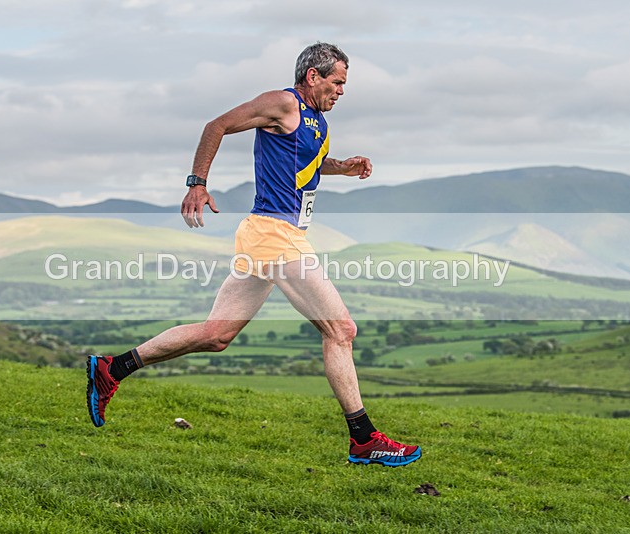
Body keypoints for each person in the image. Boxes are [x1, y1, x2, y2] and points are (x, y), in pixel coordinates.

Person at [86, 42, 421, 467]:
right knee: (341, 331)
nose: (341, 91)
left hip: (270, 236)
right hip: (274, 236)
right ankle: (364, 438)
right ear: (313, 76)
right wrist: (197, 182)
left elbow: (307, 166)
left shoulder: (315, 119)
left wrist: (344, 166)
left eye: (344, 85)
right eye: (337, 82)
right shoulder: (282, 103)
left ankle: (111, 369)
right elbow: (217, 125)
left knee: (216, 335)